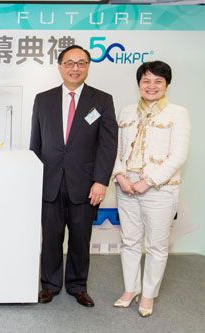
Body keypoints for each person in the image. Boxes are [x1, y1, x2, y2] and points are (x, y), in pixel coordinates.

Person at [29, 45, 118, 307]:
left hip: (86, 184)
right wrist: (35, 180)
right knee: (52, 238)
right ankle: (50, 285)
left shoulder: (102, 100)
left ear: (88, 66)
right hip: (50, 183)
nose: (75, 68)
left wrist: (101, 180)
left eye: (81, 63)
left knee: (80, 238)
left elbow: (107, 144)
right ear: (60, 67)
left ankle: (78, 286)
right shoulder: (42, 99)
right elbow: (35, 143)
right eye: (69, 63)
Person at [112, 61, 190, 317]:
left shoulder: (177, 113)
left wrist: (149, 181)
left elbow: (178, 156)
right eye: (146, 81)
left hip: (159, 188)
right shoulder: (126, 112)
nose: (152, 86)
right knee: (130, 241)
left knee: (156, 246)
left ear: (167, 84)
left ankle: (148, 295)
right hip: (126, 186)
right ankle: (130, 288)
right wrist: (120, 176)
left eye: (158, 81)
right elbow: (116, 150)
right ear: (139, 84)